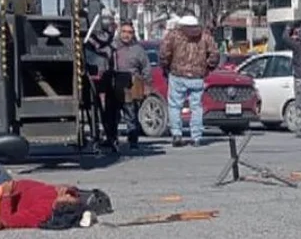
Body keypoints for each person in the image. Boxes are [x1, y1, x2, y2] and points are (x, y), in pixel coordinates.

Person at [158, 14, 219, 147]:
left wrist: (166, 66)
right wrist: (207, 68)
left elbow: (164, 53)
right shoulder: (205, 36)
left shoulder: (174, 35)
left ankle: (177, 134)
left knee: (175, 106)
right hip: (197, 76)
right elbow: (215, 54)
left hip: (177, 75)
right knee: (196, 107)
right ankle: (196, 137)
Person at [85, 9, 123, 149]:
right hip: (96, 76)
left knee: (113, 109)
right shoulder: (92, 38)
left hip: (113, 75)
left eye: (109, 19)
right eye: (105, 18)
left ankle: (112, 136)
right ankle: (100, 135)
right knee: (98, 109)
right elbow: (95, 46)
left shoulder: (116, 36)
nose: (108, 21)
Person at [113, 20, 151, 148]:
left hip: (132, 86)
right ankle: (112, 139)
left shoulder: (138, 50)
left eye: (129, 32)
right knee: (113, 115)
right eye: (124, 32)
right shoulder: (113, 47)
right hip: (115, 85)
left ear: (133, 34)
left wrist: (146, 86)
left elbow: (146, 68)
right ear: (119, 32)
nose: (126, 35)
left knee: (131, 114)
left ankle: (133, 140)